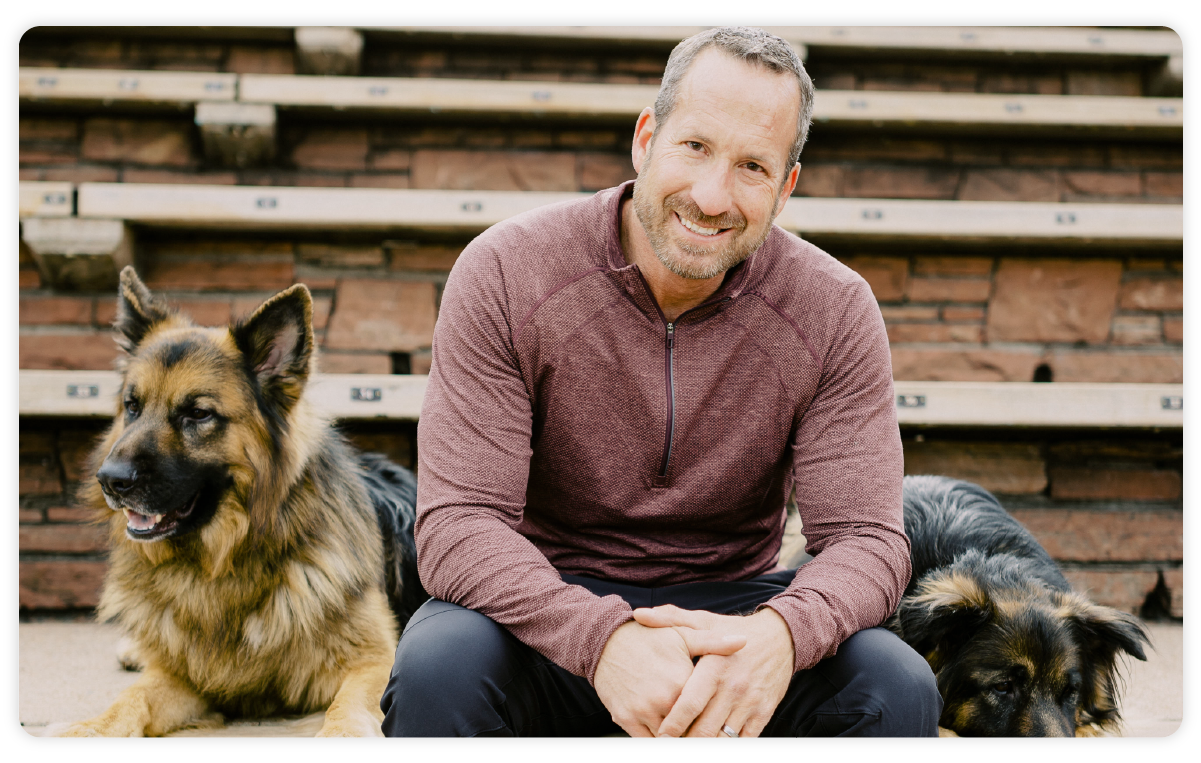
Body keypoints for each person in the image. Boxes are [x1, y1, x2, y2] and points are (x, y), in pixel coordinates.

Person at [380, 27, 941, 738]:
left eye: (751, 167)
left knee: (894, 685)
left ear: (786, 186)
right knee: (438, 665)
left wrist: (780, 636)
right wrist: (604, 640)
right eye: (695, 147)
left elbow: (868, 538)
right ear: (646, 137)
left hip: (737, 612)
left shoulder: (834, 307)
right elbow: (458, 526)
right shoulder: (504, 271)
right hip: (546, 598)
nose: (711, 196)